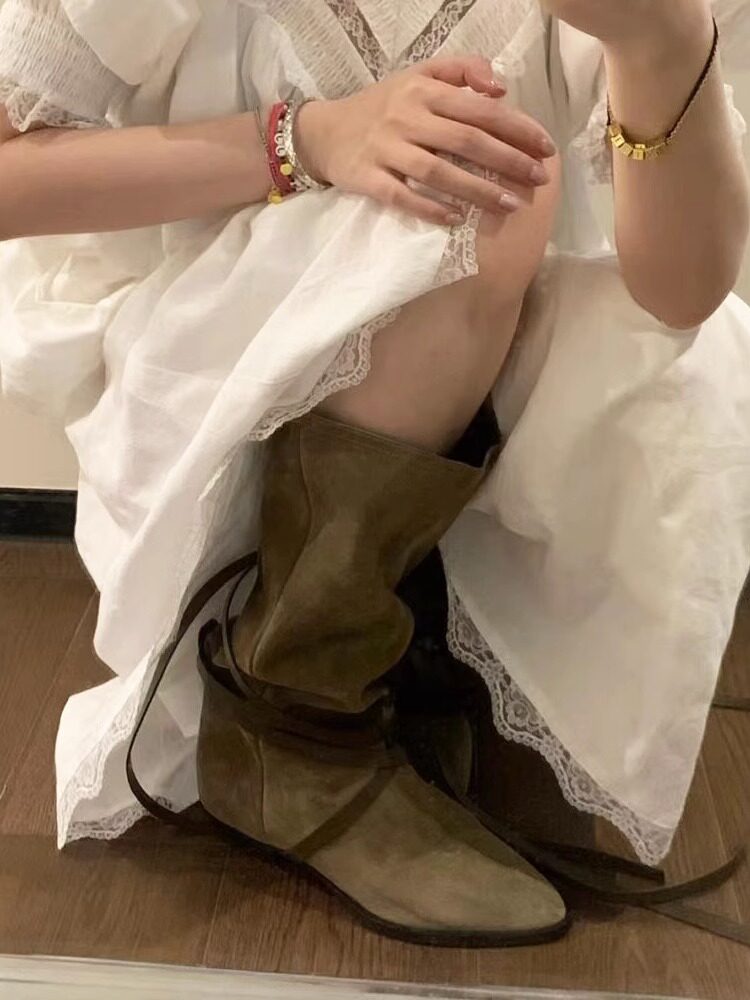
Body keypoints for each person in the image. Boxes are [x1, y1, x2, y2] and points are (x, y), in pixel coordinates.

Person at [0, 0, 749, 946]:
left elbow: (680, 295)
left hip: (454, 368)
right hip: (196, 335)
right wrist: (304, 141)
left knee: (660, 347)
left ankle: (414, 642)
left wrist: (661, 40)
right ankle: (291, 722)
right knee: (477, 178)